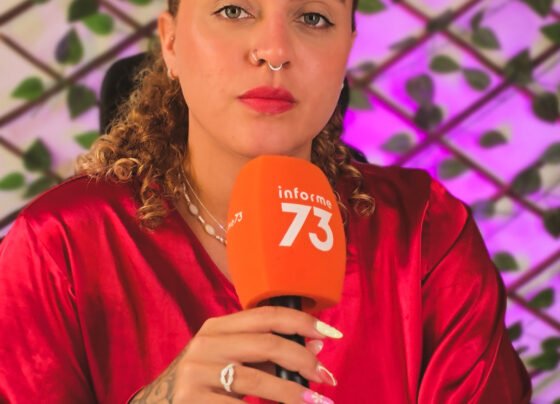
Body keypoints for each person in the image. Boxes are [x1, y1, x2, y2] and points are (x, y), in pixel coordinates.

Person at [0, 0, 532, 402]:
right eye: (234, 10)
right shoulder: (57, 243)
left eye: (313, 18)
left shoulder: (425, 228)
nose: (274, 51)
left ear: (346, 51)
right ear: (171, 43)